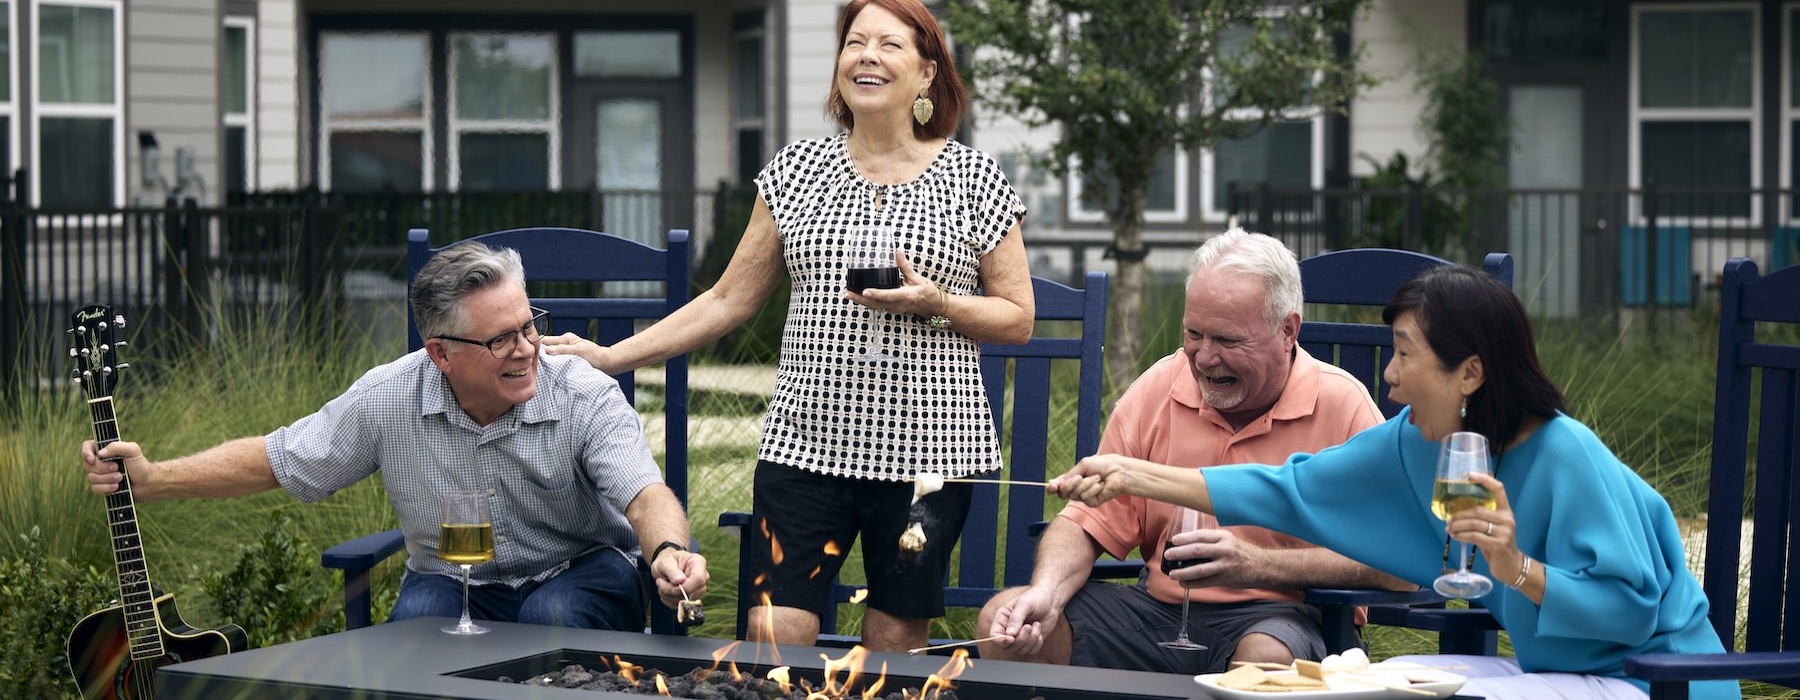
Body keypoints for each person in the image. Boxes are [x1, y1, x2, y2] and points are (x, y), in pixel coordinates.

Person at [543, 0, 1033, 653]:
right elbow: (726, 299)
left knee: (894, 639)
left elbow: (1018, 318)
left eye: (889, 45)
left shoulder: (974, 177)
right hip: (807, 445)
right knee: (773, 632)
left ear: (926, 75)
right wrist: (612, 357)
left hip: (931, 453)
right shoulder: (797, 170)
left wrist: (937, 301)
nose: (866, 55)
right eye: (854, 42)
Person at [1049, 265, 1737, 700]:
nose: (1391, 376)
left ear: (1469, 373)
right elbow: (1287, 487)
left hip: (1657, 679)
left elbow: (1629, 615)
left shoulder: (1566, 455)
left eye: (1406, 356)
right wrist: (1134, 475)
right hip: (1545, 677)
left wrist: (1514, 566)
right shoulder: (1416, 443)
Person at [78, 242, 709, 631]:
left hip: (578, 570)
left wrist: (665, 552)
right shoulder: (389, 397)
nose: (527, 350)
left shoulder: (578, 389)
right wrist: (155, 479)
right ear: (440, 352)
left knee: (551, 618)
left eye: (529, 326)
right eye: (500, 340)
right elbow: (280, 458)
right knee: (413, 632)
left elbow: (642, 490)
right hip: (451, 575)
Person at [979, 229, 1410, 674]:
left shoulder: (1343, 406)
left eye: (1227, 340)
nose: (1204, 358)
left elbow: (1398, 563)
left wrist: (1259, 565)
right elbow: (1086, 523)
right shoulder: (1157, 388)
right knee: (1004, 624)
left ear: (1287, 331)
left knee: (1263, 658)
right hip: (1155, 615)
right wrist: (1045, 593)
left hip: (1282, 620)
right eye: (1194, 334)